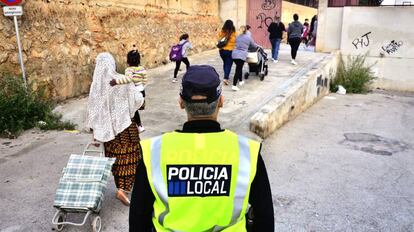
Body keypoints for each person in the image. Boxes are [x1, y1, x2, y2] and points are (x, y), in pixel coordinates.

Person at [129, 65, 274, 232]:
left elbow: (138, 220)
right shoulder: (247, 152)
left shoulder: (153, 152)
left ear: (181, 102)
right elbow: (265, 219)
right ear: (221, 101)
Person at [87, 52, 144, 206]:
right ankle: (123, 190)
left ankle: (121, 187)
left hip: (108, 133)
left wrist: (95, 133)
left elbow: (93, 110)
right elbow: (138, 101)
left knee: (116, 160)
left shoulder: (95, 86)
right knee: (131, 157)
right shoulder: (122, 80)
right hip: (126, 128)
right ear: (112, 64)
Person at [110, 46, 147, 133]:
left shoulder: (129, 70)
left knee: (133, 109)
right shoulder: (142, 69)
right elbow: (145, 79)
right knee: (135, 109)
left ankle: (139, 126)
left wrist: (116, 81)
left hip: (133, 92)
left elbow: (128, 79)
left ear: (128, 61)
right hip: (141, 90)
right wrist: (141, 86)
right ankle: (138, 125)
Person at [232, 25, 259, 91]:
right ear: (246, 31)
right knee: (238, 70)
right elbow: (253, 45)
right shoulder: (248, 37)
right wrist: (258, 47)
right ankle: (234, 85)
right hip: (241, 55)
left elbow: (237, 44)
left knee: (239, 67)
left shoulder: (237, 37)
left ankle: (241, 81)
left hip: (234, 55)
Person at [218, 20, 237, 86]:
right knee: (228, 64)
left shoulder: (222, 31)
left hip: (221, 51)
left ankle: (226, 75)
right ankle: (226, 78)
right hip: (230, 51)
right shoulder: (234, 33)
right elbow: (236, 40)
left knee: (225, 63)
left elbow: (219, 39)